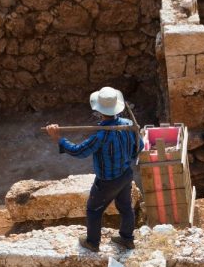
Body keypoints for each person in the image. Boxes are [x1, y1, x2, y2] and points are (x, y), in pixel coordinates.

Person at [45, 86, 139, 252]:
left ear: (99, 110)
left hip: (107, 181)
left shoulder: (101, 136)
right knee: (125, 207)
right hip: (125, 175)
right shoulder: (129, 125)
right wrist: (128, 157)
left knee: (93, 210)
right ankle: (127, 238)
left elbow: (78, 151)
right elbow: (139, 147)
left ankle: (92, 243)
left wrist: (58, 138)